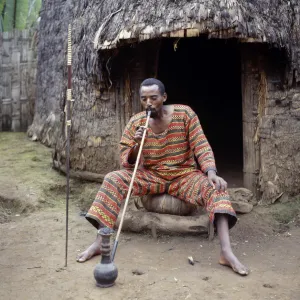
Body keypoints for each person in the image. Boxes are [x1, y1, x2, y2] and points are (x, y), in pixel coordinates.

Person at [77, 78, 249, 276]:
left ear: (164, 97)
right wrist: (136, 144)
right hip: (152, 176)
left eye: (153, 98)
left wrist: (211, 172)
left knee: (217, 188)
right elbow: (127, 160)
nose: (148, 103)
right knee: (112, 179)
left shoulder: (185, 114)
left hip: (184, 175)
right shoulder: (136, 122)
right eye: (144, 99)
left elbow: (201, 145)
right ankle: (100, 242)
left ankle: (226, 252)